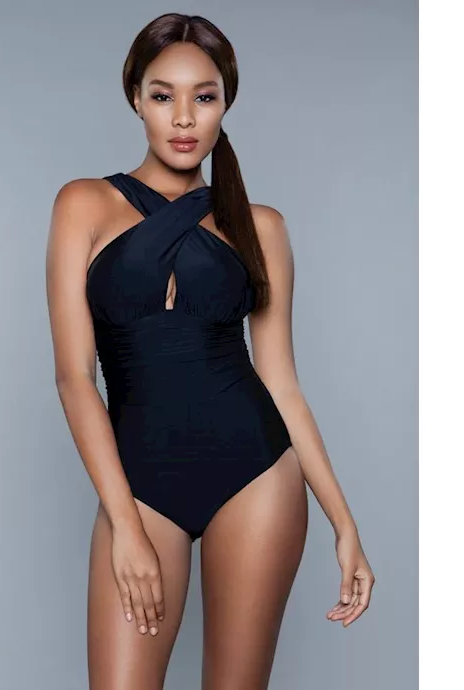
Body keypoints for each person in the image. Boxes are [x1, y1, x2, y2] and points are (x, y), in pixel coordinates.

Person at [45, 12, 375, 690]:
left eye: (204, 96)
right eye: (163, 95)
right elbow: (75, 378)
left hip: (255, 476)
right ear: (135, 98)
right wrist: (124, 523)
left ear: (226, 102)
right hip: (138, 485)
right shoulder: (83, 204)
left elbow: (281, 383)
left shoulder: (261, 227)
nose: (183, 117)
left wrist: (345, 524)